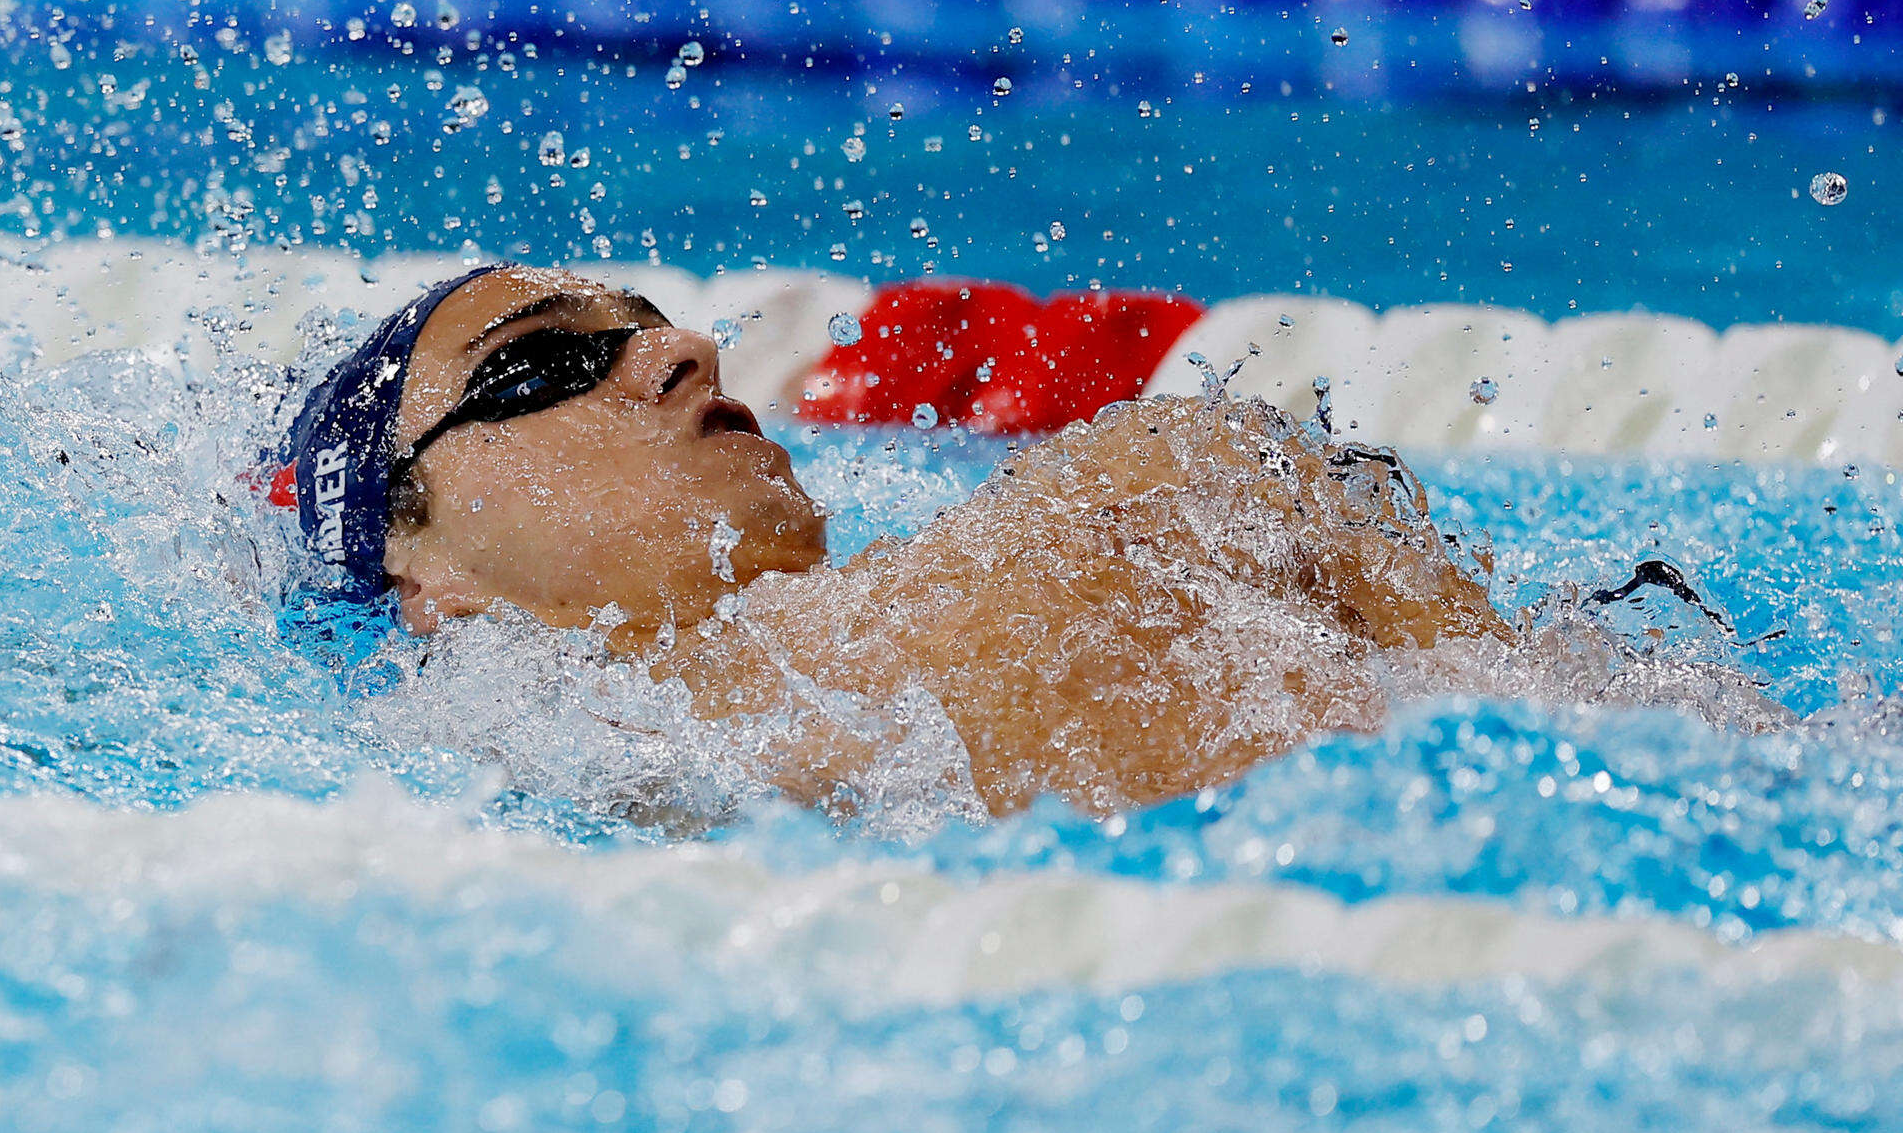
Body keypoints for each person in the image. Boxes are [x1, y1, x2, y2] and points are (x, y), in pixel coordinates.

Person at [277, 264, 1780, 819]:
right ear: (426, 575)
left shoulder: (1159, 476)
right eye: (548, 363)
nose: (686, 357)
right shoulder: (508, 793)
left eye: (659, 327)